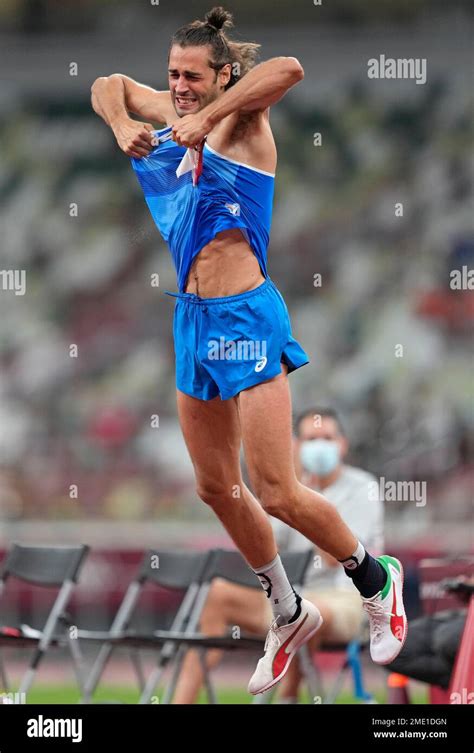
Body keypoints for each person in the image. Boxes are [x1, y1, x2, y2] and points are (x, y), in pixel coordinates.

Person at [90, 6, 407, 694]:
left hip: (246, 315)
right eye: (173, 73)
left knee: (276, 489)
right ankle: (286, 609)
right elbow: (108, 82)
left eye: (191, 76)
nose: (177, 86)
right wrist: (122, 124)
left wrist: (209, 116)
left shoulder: (242, 119)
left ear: (221, 76)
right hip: (191, 319)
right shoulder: (165, 107)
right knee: (215, 487)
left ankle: (377, 580)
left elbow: (287, 69)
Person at [171, 407, 384, 703]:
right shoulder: (287, 491)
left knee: (309, 610)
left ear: (343, 444)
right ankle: (181, 700)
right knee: (218, 594)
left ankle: (288, 697)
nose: (319, 446)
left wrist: (298, 502)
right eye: (310, 439)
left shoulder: (364, 488)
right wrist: (289, 490)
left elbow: (338, 557)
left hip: (344, 598)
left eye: (327, 438)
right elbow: (264, 541)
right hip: (292, 595)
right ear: (295, 446)